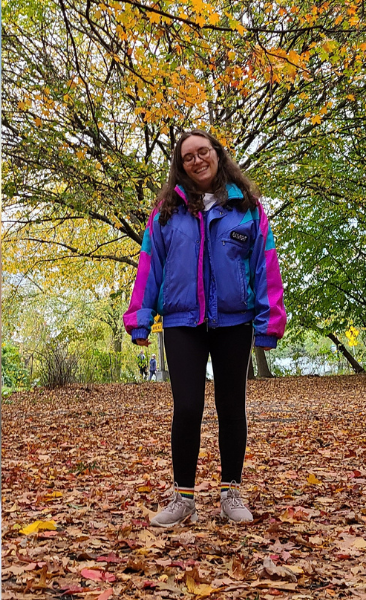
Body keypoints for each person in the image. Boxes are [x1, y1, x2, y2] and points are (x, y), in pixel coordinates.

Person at [124, 129, 286, 527]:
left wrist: (269, 321)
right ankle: (183, 499)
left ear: (217, 153)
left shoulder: (247, 208)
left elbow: (264, 264)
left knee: (231, 406)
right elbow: (150, 264)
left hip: (234, 320)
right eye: (188, 157)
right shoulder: (166, 211)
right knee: (187, 408)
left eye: (203, 151)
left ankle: (231, 493)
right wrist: (140, 316)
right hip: (183, 322)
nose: (197, 160)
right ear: (180, 166)